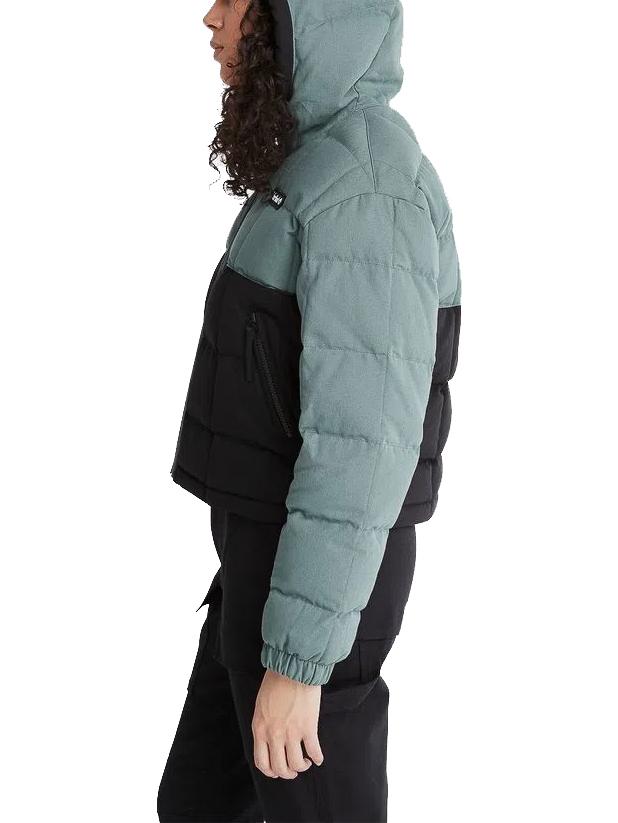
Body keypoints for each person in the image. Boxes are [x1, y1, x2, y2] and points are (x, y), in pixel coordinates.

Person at [157, 0, 461, 820]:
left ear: (306, 17)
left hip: (316, 600)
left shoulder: (368, 185)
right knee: (196, 803)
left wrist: (298, 662)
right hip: (269, 572)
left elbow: (365, 447)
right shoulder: (319, 167)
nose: (211, 18)